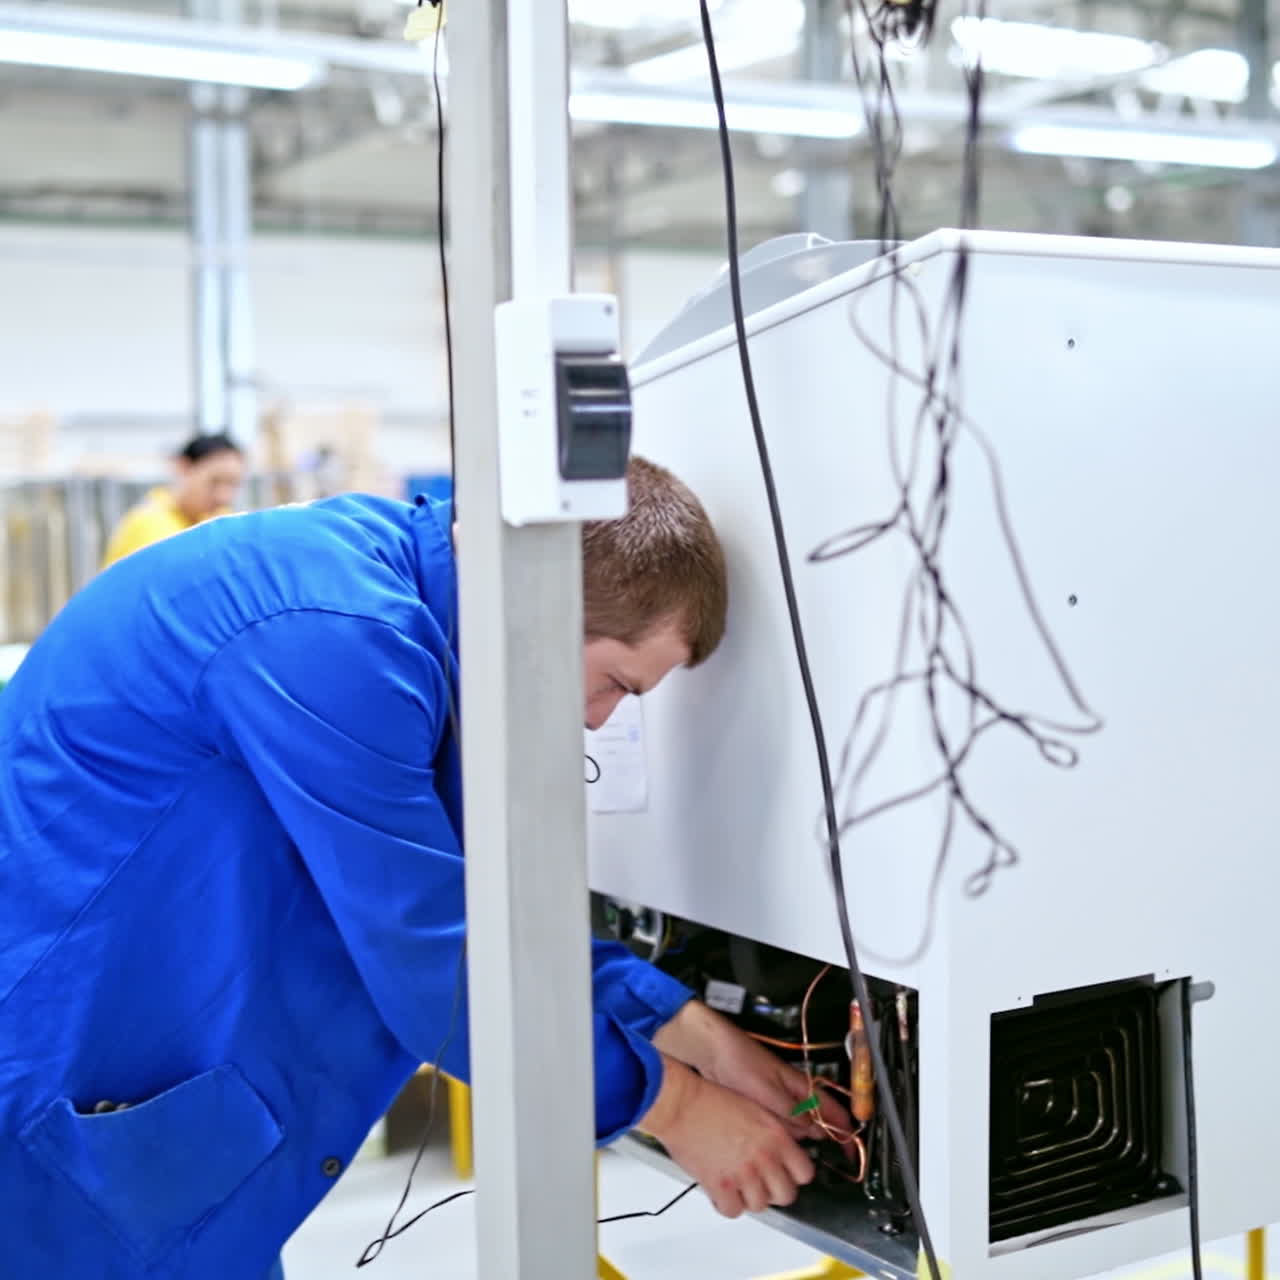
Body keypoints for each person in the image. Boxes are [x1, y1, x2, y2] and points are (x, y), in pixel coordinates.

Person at [0, 457, 850, 1278]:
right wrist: (681, 1108)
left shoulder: (405, 608)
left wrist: (689, 1031)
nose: (597, 722)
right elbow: (434, 963)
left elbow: (473, 910)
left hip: (147, 1114)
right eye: (614, 684)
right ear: (540, 610)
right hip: (60, 1097)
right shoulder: (336, 640)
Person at [101, 431, 245, 568]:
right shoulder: (150, 526)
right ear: (184, 467)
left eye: (233, 484)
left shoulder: (218, 520)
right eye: (215, 481)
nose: (224, 496)